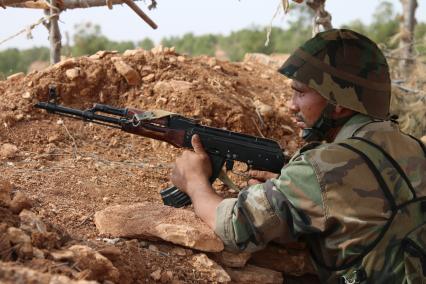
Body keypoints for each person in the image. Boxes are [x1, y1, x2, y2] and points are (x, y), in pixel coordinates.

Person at [170, 29, 426, 283]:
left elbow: (234, 227)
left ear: (339, 103)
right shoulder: (414, 147)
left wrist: (194, 182)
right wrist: (294, 189)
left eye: (301, 93)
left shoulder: (323, 166)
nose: (291, 104)